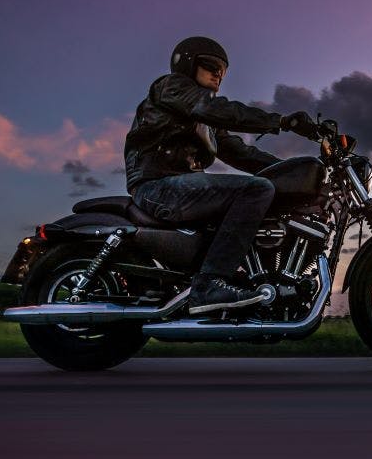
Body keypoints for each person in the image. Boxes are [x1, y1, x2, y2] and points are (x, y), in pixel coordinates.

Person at [124, 36, 317, 315]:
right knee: (256, 190)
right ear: (188, 64)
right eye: (211, 65)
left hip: (182, 188)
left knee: (263, 186)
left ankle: (228, 279)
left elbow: (242, 153)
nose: (218, 74)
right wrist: (281, 122)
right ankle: (209, 284)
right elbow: (217, 108)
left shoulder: (204, 120)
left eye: (223, 71)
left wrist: (293, 172)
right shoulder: (171, 87)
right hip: (157, 186)